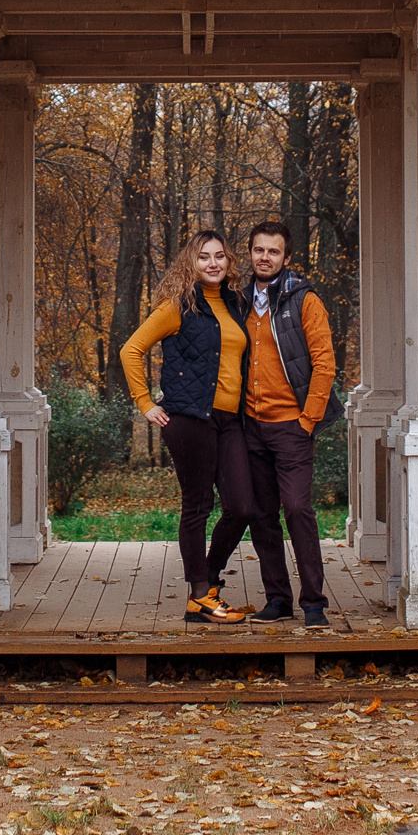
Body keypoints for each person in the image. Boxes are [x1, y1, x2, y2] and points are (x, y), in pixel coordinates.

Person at [119, 229, 257, 623]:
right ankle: (200, 593)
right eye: (203, 257)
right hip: (189, 419)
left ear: (228, 262)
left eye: (219, 256)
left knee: (241, 506)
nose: (212, 263)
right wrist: (144, 403)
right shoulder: (177, 306)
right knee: (197, 506)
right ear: (191, 263)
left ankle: (206, 581)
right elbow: (131, 350)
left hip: (230, 421)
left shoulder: (235, 304)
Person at [237, 219, 339, 627]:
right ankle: (277, 599)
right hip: (251, 426)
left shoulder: (304, 300)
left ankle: (313, 602)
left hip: (292, 426)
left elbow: (325, 364)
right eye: (259, 250)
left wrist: (307, 420)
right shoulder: (239, 299)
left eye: (273, 251)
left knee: (297, 510)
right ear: (249, 253)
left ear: (287, 257)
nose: (265, 257)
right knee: (261, 514)